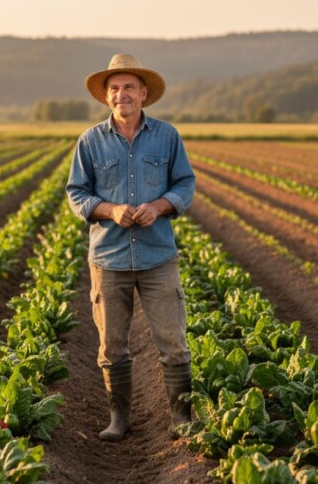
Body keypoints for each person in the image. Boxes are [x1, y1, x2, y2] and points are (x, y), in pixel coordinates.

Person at [66, 53, 196, 442]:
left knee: (173, 343)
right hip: (109, 258)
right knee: (112, 347)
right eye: (115, 88)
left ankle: (181, 418)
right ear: (107, 97)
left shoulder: (167, 136)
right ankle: (118, 419)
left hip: (158, 256)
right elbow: (77, 193)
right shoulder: (90, 141)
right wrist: (110, 209)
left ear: (143, 93)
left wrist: (159, 207)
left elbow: (185, 184)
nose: (122, 94)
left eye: (129, 87)